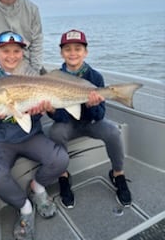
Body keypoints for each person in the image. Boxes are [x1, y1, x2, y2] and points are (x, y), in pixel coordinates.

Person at [0, 31, 69, 240]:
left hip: (30, 136)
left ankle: (38, 187)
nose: (11, 56)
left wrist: (44, 110)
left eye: (16, 51)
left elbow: (42, 114)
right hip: (1, 141)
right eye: (5, 51)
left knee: (61, 159)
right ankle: (24, 206)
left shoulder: (31, 76)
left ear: (22, 53)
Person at [47, 29, 132, 209]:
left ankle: (118, 174)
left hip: (92, 123)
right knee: (54, 132)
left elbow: (100, 115)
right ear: (61, 52)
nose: (72, 53)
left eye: (78, 48)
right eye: (67, 49)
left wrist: (91, 105)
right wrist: (53, 111)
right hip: (68, 124)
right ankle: (63, 176)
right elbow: (59, 118)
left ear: (86, 52)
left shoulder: (95, 77)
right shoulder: (52, 78)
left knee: (112, 131)